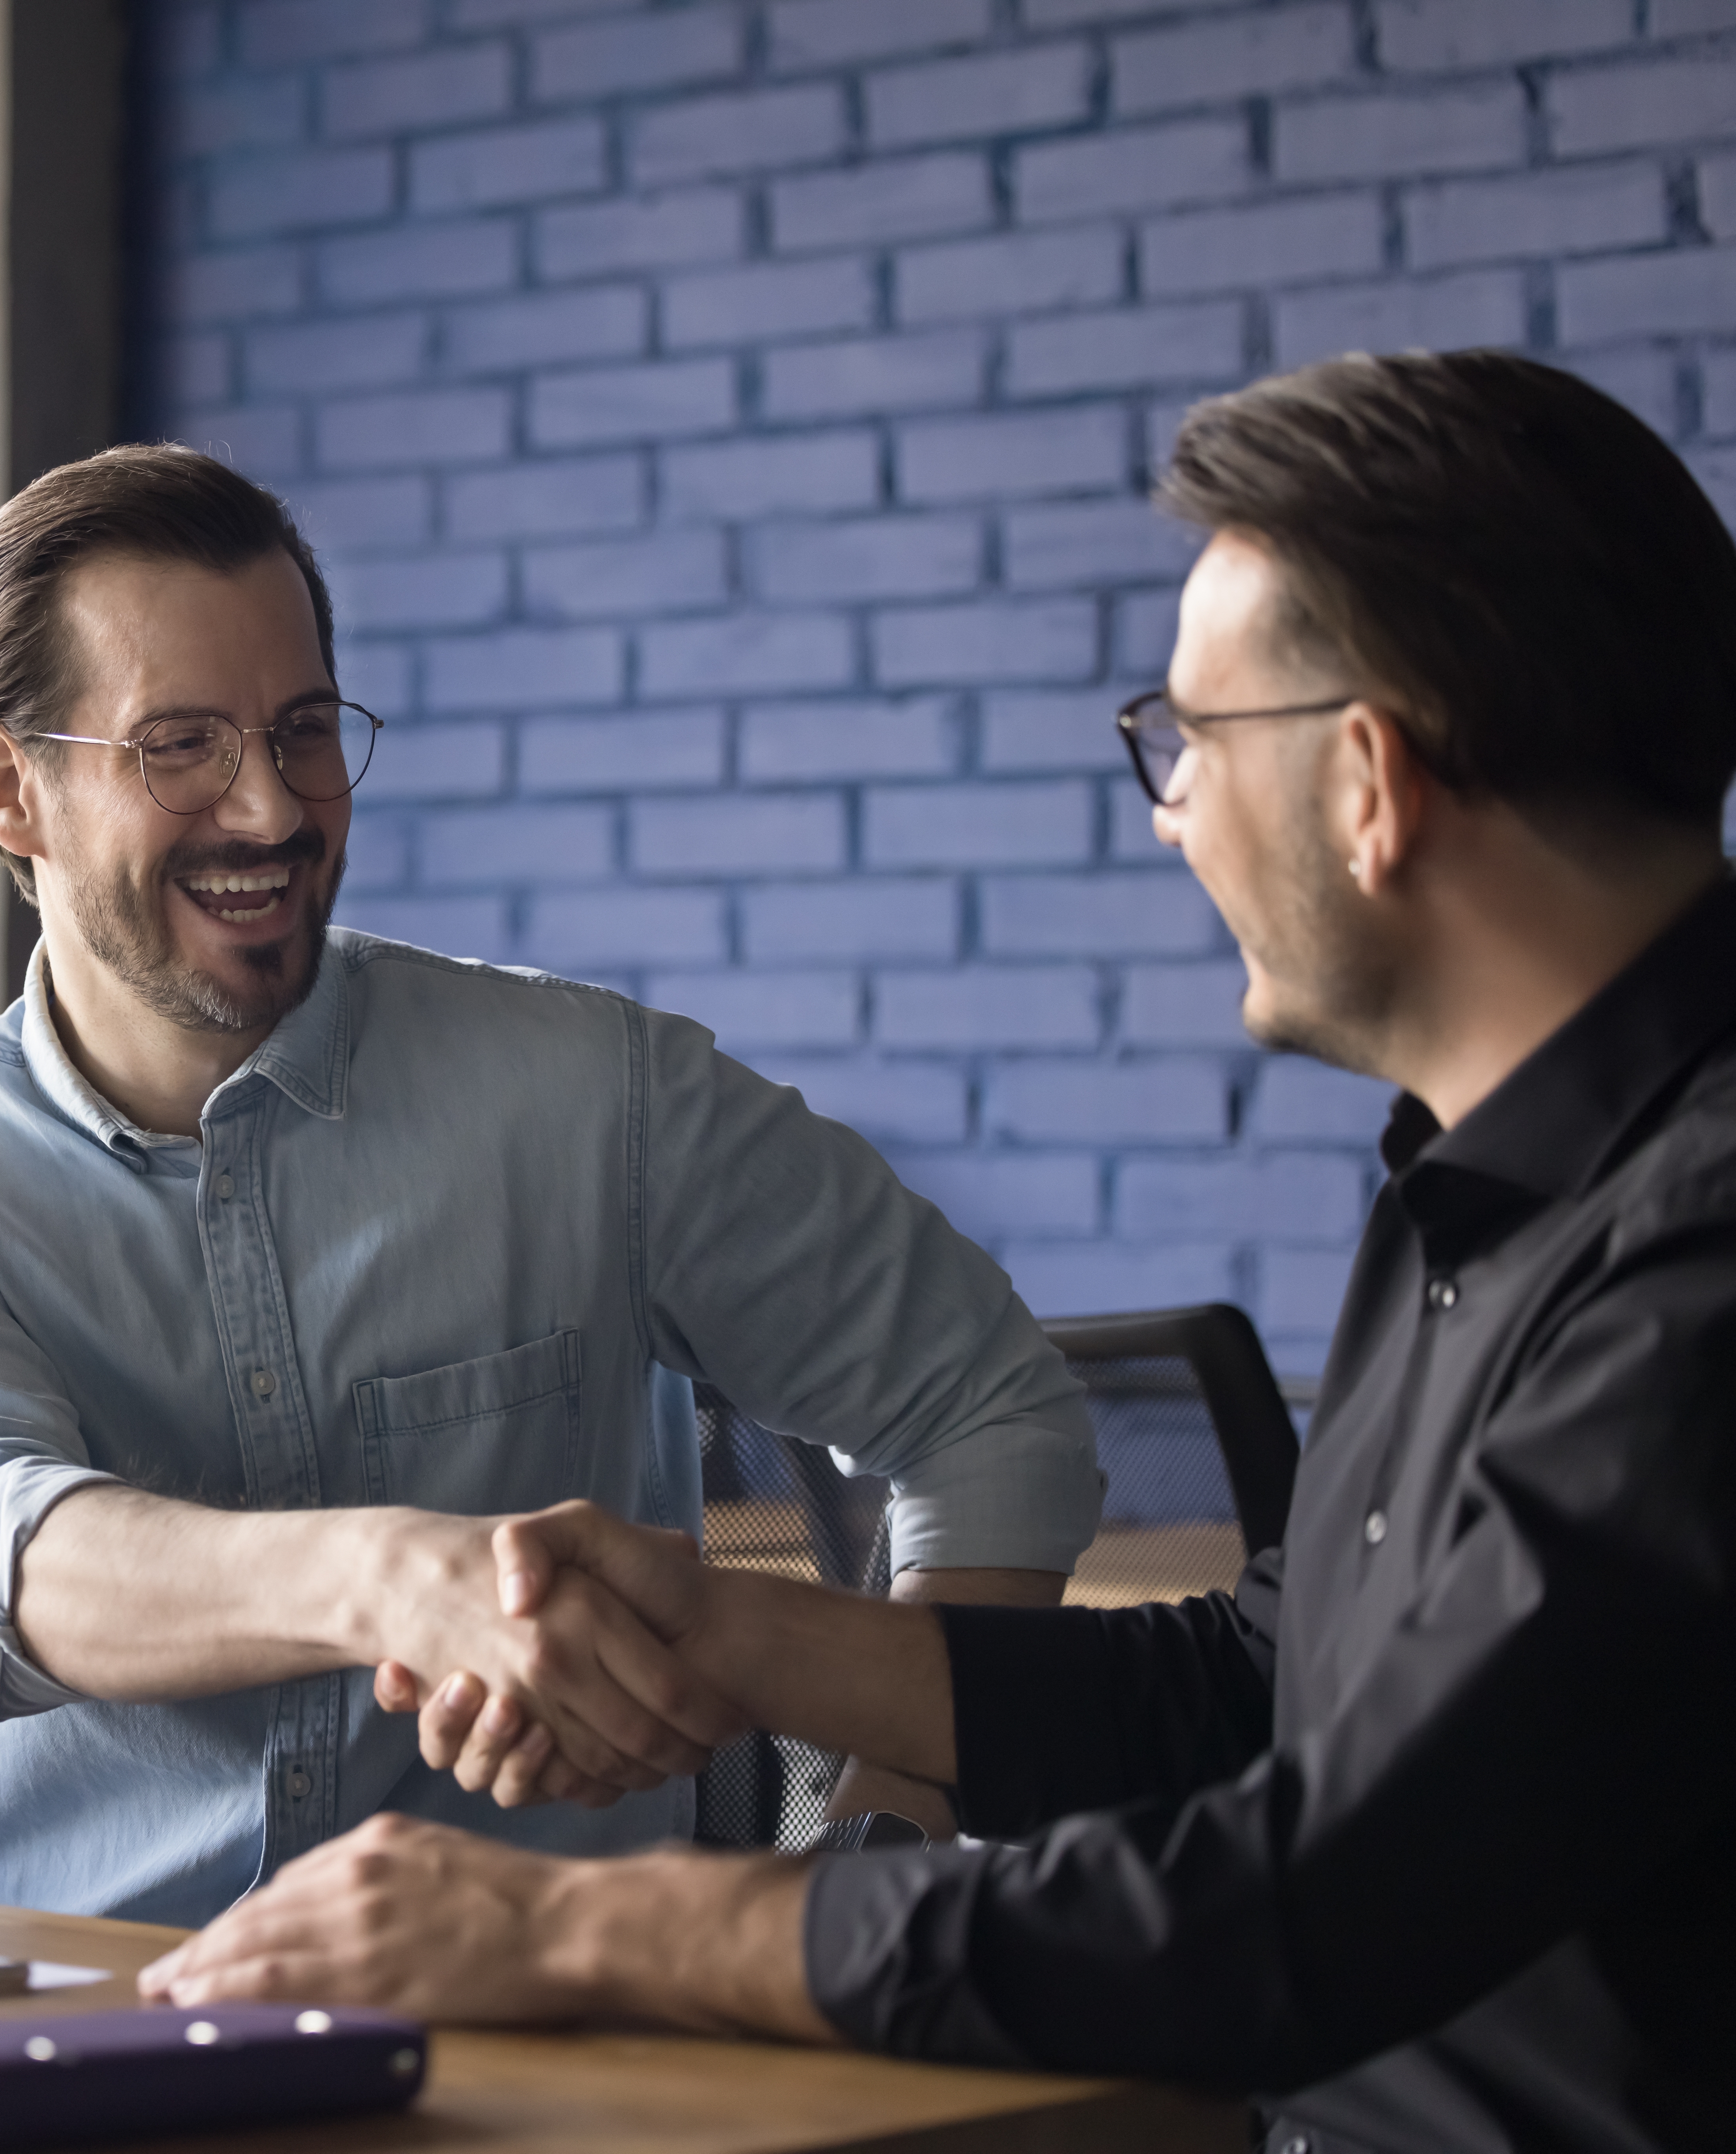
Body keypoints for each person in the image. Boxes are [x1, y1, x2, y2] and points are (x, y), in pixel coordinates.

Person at [143, 352, 1736, 2151]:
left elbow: (1323, 1893)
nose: (1169, 811)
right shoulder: (1481, 1197)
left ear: (1366, 780)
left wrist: (581, 1921)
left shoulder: (1695, 1259)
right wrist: (736, 1637)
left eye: (1189, 742)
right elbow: (1241, 1693)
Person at [0, 446, 1103, 1924]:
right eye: (184, 744)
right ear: (14, 788)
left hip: (550, 2035)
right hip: (68, 2024)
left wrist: (883, 1836)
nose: (270, 808)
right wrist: (401, 1579)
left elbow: (992, 1409)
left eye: (305, 730)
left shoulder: (598, 1094)